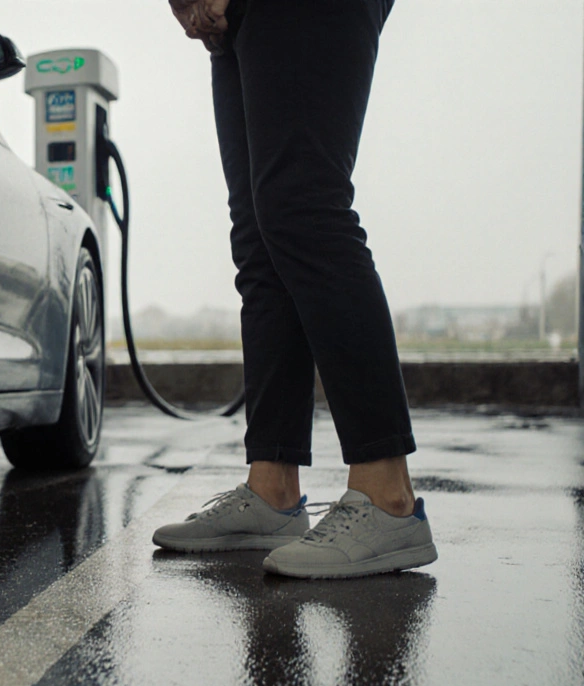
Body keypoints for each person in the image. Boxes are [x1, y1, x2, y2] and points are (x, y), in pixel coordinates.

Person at [151, 0, 438, 578]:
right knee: (260, 236)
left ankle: (388, 496)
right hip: (233, 19)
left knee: (303, 205)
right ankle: (272, 488)